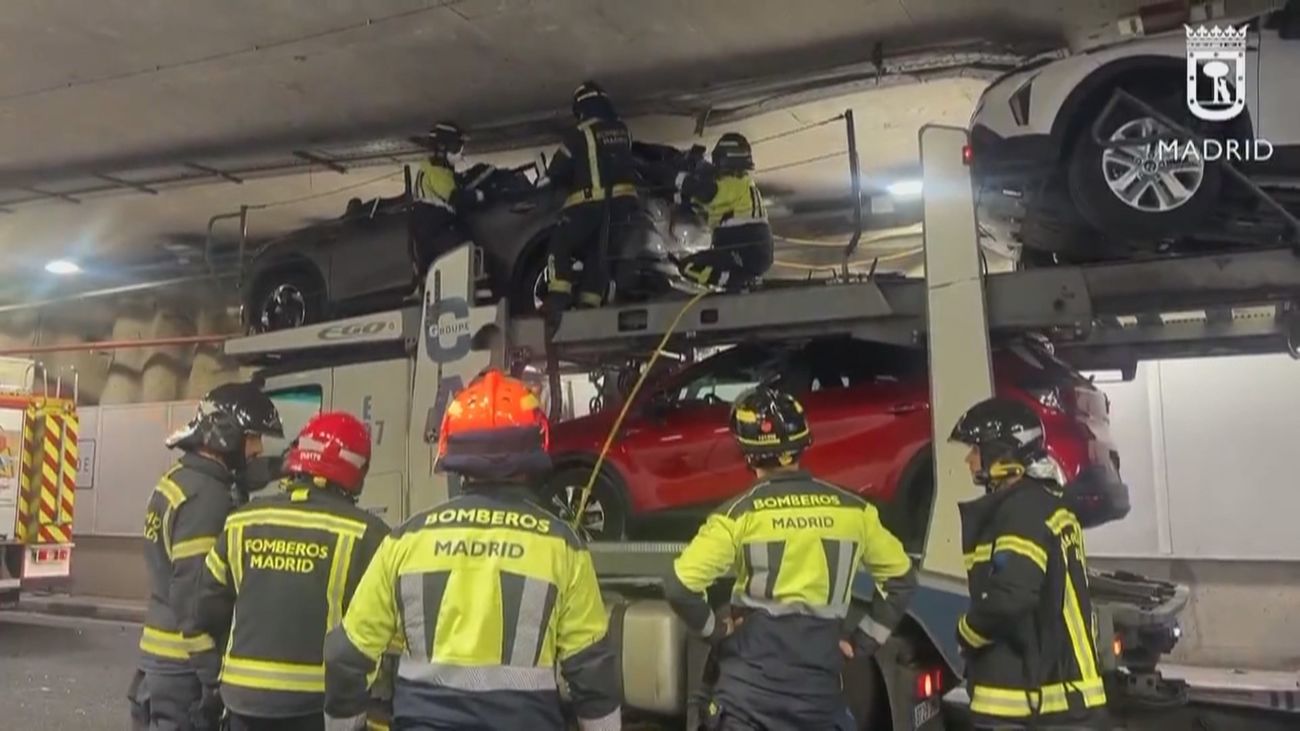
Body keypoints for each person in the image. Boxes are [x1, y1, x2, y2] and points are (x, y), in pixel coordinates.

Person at [322, 369, 621, 731]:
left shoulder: (406, 540)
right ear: (535, 448)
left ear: (450, 452)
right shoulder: (562, 546)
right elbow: (592, 672)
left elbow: (347, 657)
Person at [664, 386, 918, 730]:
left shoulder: (737, 516)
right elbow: (902, 580)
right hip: (818, 697)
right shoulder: (854, 512)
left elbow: (680, 587)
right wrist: (863, 642)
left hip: (747, 698)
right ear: (803, 443)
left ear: (747, 452)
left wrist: (717, 631)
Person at [190, 411, 391, 731]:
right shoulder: (367, 533)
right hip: (318, 706)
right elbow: (382, 632)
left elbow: (206, 606)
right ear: (356, 469)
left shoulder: (243, 520)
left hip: (243, 701)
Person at [129, 382, 284, 731]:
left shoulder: (183, 478)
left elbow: (250, 474)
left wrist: (288, 464)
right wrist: (213, 675)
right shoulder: (208, 500)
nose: (258, 448)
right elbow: (194, 598)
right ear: (227, 437)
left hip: (161, 658)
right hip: (185, 666)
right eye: (253, 438)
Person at [949, 397, 1110, 730]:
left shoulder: (1021, 510)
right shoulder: (1044, 503)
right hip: (1058, 698)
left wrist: (967, 632)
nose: (968, 459)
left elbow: (1012, 597)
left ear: (1001, 452)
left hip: (1031, 702)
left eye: (975, 449)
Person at [541, 80, 641, 316]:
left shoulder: (580, 133)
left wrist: (546, 182)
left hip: (589, 205)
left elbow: (557, 170)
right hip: (624, 207)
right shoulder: (623, 130)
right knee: (600, 255)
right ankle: (588, 305)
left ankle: (558, 296)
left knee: (560, 244)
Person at [674, 133, 774, 293]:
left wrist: (676, 178)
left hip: (743, 253)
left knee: (688, 267)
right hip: (751, 253)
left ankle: (737, 282)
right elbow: (702, 201)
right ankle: (739, 280)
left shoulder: (730, 186)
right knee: (695, 264)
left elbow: (705, 192)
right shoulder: (742, 184)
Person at [410, 121, 484, 280]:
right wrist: (478, 196)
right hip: (434, 227)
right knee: (462, 249)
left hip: (425, 226)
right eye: (456, 149)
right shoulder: (438, 173)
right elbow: (455, 197)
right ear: (442, 149)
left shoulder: (429, 168)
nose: (460, 154)